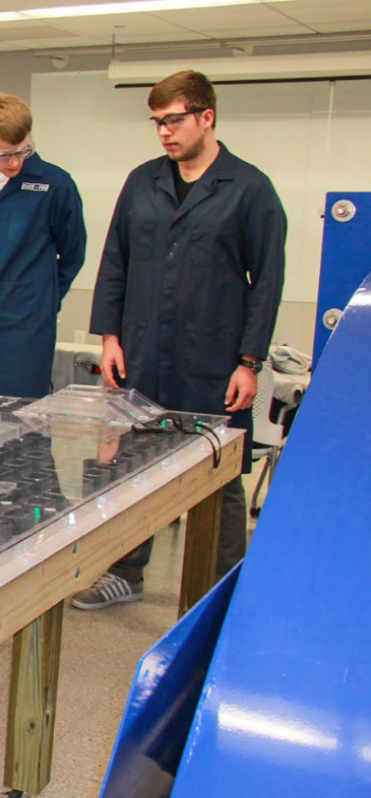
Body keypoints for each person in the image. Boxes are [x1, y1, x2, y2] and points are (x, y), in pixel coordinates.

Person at [74, 70, 286, 610]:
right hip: (144, 353)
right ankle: (126, 572)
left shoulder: (249, 188)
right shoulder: (143, 181)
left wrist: (249, 361)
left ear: (206, 117)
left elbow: (267, 280)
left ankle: (222, 592)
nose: (165, 132)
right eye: (158, 122)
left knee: (221, 476)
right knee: (133, 469)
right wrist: (110, 337)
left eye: (174, 121)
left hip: (213, 360)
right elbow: (115, 260)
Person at [0, 93, 86, 398]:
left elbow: (73, 253)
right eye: (3, 155)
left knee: (19, 426)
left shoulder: (56, 185)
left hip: (25, 331)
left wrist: (41, 301)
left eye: (22, 151)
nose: (14, 163)